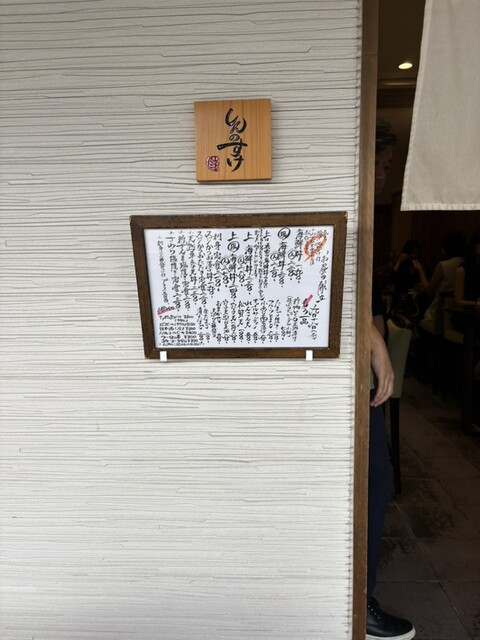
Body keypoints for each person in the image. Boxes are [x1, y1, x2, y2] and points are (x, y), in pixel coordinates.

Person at [365, 121, 416, 640]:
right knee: (373, 483)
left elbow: (367, 302)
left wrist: (377, 339)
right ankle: (359, 602)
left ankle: (359, 599)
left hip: (363, 381)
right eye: (380, 164)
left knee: (377, 482)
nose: (383, 176)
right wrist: (374, 339)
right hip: (346, 378)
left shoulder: (364, 218)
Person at [413, 230, 467, 325]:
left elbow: (429, 290)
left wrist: (420, 270)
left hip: (440, 312)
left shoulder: (443, 265)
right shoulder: (467, 264)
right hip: (460, 312)